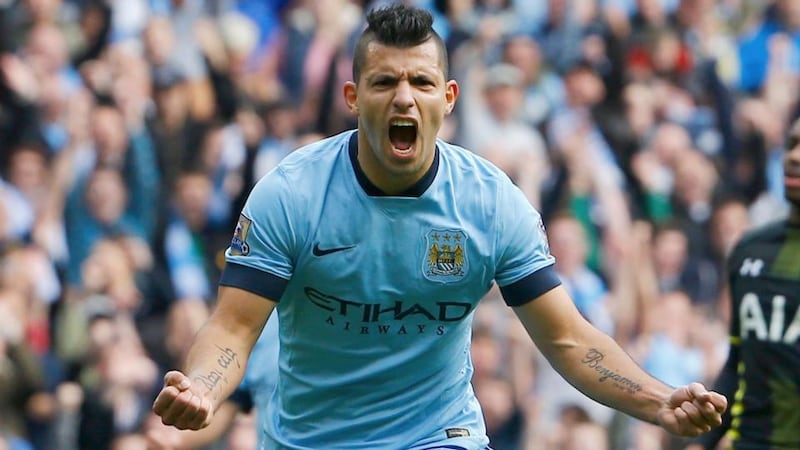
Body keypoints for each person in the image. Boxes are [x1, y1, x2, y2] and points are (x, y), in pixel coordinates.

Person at [152, 4, 727, 449]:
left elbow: (568, 338)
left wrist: (658, 400)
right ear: (353, 97)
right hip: (311, 438)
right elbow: (232, 328)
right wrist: (201, 386)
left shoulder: (490, 204)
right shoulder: (292, 192)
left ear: (447, 98)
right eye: (384, 83)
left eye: (422, 83)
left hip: (438, 434)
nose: (404, 97)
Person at [687, 117, 800, 449]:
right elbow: (738, 363)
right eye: (791, 144)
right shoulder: (750, 250)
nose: (794, 156)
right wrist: (702, 442)